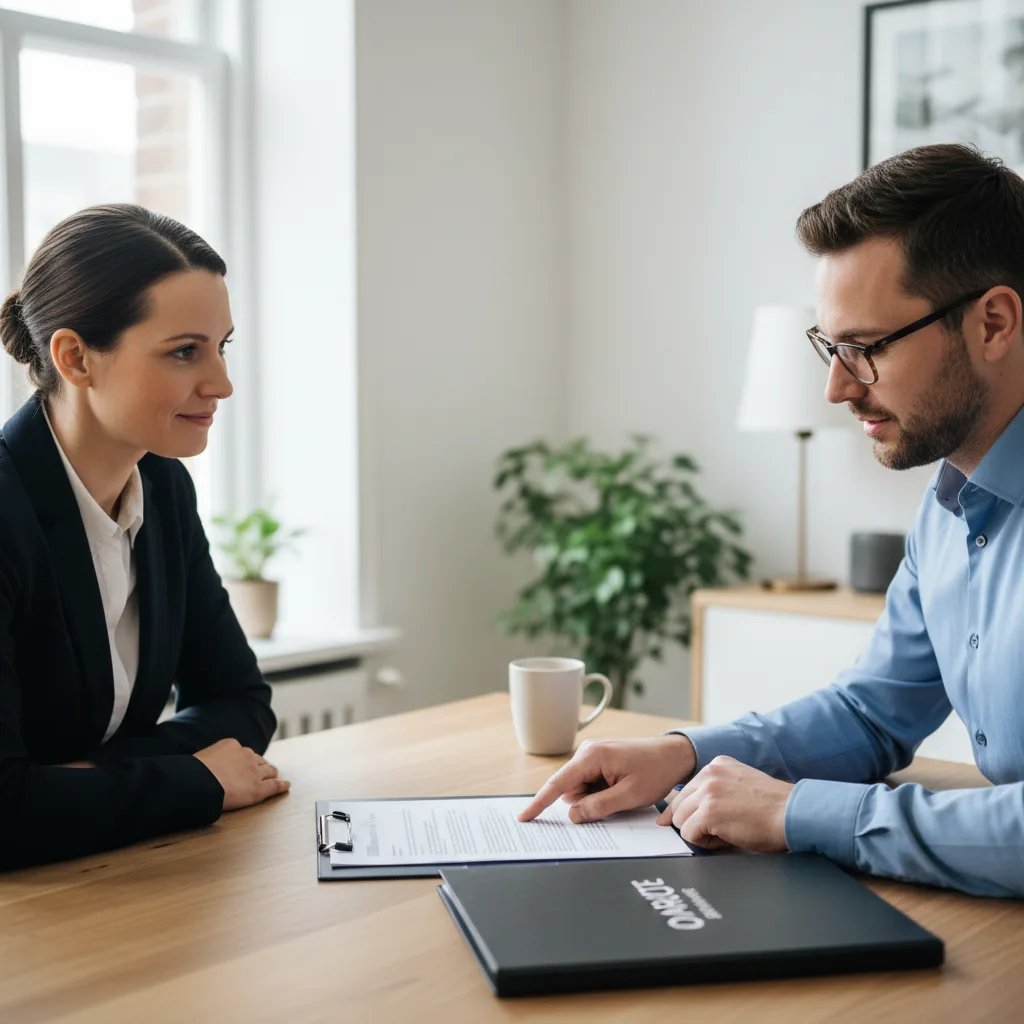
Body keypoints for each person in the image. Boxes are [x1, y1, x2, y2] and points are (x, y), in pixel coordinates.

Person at [519, 143, 1024, 899]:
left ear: (992, 323)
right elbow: (871, 714)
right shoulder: (950, 507)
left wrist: (802, 812)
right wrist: (683, 753)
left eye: (866, 349)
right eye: (830, 346)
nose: (836, 387)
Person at [0, 204, 289, 871]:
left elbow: (240, 702)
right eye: (185, 351)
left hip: (114, 874)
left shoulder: (161, 488)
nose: (221, 383)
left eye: (223, 346)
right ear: (75, 358)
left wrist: (88, 776)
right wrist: (200, 778)